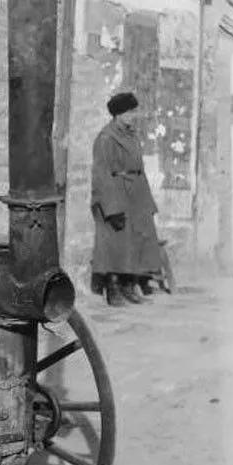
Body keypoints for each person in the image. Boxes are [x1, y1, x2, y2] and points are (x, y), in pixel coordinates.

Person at [90, 92, 162, 307]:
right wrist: (112, 207)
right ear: (118, 114)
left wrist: (148, 201)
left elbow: (139, 169)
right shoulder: (106, 138)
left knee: (136, 241)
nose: (133, 116)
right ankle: (112, 289)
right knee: (116, 243)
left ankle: (128, 285)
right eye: (129, 112)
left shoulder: (131, 135)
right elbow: (101, 174)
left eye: (134, 111)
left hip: (136, 194)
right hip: (117, 193)